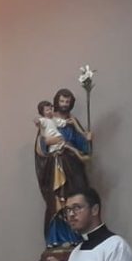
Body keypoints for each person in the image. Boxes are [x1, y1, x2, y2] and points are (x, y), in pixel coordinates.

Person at [34, 88, 92, 250]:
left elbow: (85, 149)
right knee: (57, 202)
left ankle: (75, 236)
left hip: (72, 166)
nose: (64, 104)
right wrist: (47, 142)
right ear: (56, 102)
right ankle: (56, 239)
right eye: (62, 101)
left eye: (67, 102)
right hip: (54, 166)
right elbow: (40, 146)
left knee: (74, 201)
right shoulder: (48, 120)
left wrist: (88, 140)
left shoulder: (73, 122)